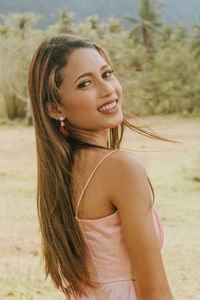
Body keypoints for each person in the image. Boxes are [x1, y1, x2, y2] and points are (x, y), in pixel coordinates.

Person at [28, 34, 174, 300]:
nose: (108, 89)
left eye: (107, 74)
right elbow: (155, 291)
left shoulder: (60, 173)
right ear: (55, 107)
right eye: (85, 83)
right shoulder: (119, 168)